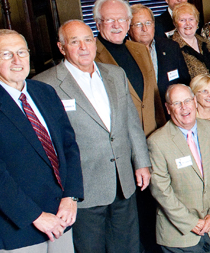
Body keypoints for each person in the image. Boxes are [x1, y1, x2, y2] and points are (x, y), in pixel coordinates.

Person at [33, 21, 150, 253]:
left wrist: (142, 163)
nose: (83, 47)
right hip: (82, 189)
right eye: (74, 41)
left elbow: (131, 123)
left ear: (95, 42)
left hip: (123, 181)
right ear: (62, 47)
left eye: (88, 39)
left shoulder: (115, 74)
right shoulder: (44, 85)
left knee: (128, 247)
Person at [0, 29, 83, 252]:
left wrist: (71, 196)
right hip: (15, 228)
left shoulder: (45, 92)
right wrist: (35, 216)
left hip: (60, 217)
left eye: (22, 52)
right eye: (6, 54)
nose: (17, 60)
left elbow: (69, 147)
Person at [148, 84, 210, 253]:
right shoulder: (157, 141)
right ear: (168, 108)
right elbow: (161, 190)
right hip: (180, 235)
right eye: (177, 103)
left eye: (187, 100)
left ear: (194, 101)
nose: (184, 107)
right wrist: (191, 222)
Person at [94, 0, 165, 135]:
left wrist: (163, 131)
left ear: (128, 23)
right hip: (122, 140)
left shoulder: (140, 50)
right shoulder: (92, 57)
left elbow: (154, 96)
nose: (116, 25)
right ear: (98, 24)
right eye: (109, 20)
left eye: (121, 19)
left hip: (153, 135)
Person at [128, 4, 192, 105]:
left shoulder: (171, 47)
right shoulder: (123, 52)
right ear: (128, 27)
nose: (144, 28)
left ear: (154, 24)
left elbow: (184, 82)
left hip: (171, 110)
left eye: (148, 23)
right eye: (138, 24)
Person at [171, 2, 210, 84]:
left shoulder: (205, 42)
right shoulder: (172, 47)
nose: (188, 23)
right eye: (182, 20)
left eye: (191, 19)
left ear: (197, 22)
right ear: (175, 24)